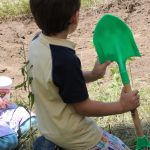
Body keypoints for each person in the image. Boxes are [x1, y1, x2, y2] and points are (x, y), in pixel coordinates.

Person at [28, 0, 140, 149]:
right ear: (75, 17)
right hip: (76, 137)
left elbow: (56, 79)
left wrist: (93, 75)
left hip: (50, 128)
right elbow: (83, 108)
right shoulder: (65, 59)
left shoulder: (36, 42)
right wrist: (121, 105)